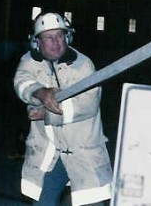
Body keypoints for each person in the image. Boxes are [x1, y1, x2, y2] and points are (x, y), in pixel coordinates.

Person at [13, 12, 112, 205]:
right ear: (36, 42)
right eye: (49, 37)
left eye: (60, 36)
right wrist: (40, 92)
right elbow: (22, 81)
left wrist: (47, 113)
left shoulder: (83, 65)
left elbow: (88, 104)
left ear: (68, 37)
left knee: (91, 201)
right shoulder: (29, 61)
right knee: (43, 202)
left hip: (83, 152)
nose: (56, 42)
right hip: (50, 153)